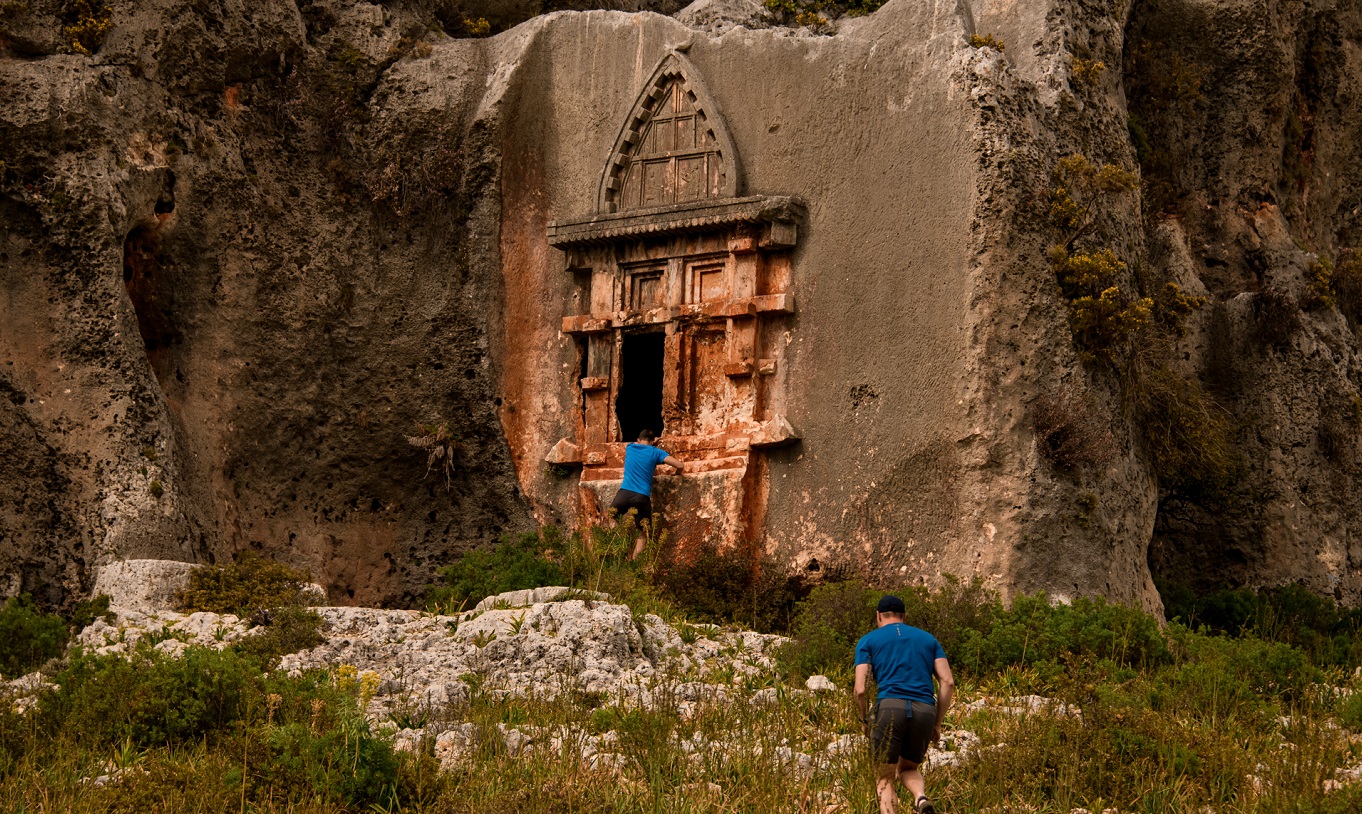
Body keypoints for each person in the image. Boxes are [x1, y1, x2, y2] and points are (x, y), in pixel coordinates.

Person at [854, 595, 955, 814]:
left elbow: (860, 690)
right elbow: (948, 682)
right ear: (904, 617)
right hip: (925, 710)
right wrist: (937, 723)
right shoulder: (929, 640)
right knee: (908, 768)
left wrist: (863, 719)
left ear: (878, 616)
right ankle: (920, 797)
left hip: (889, 707)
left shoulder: (868, 640)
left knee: (885, 777)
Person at [609, 428, 683, 559]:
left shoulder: (630, 447)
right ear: (653, 441)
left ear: (638, 439)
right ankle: (634, 562)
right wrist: (676, 475)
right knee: (643, 533)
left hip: (625, 493)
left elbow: (639, 444)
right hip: (642, 497)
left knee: (610, 516)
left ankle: (621, 542)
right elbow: (679, 465)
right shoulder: (655, 452)